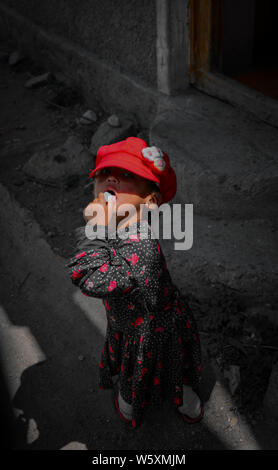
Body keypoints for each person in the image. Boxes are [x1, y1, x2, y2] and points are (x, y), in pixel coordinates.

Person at [67, 137, 203, 428]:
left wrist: (94, 229)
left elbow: (91, 278)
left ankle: (154, 402)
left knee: (153, 367)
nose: (111, 177)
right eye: (104, 174)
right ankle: (183, 397)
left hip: (149, 329)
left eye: (127, 175)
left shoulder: (141, 245)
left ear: (150, 202)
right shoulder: (116, 225)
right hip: (129, 320)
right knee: (158, 367)